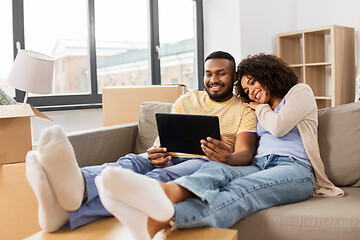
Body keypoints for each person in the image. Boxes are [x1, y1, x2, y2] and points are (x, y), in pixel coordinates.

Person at [94, 53, 344, 240]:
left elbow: (278, 127)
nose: (252, 92)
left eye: (254, 83)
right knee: (216, 170)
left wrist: (260, 107)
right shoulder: (253, 109)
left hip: (295, 169)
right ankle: (162, 194)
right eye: (247, 89)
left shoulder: (299, 92)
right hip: (259, 164)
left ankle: (158, 220)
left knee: (242, 189)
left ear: (269, 75)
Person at [25, 51, 258, 232]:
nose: (213, 79)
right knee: (129, 163)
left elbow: (245, 153)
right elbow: (163, 138)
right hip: (169, 156)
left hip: (202, 163)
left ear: (234, 76)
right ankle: (80, 184)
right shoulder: (187, 100)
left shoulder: (244, 111)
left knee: (155, 179)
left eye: (221, 73)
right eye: (208, 73)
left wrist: (227, 157)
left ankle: (67, 214)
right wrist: (154, 152)